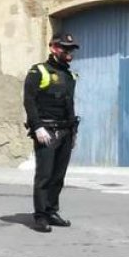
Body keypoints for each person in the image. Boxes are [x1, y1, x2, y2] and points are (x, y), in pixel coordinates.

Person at [23, 33, 81, 233]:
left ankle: (51, 211)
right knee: (45, 175)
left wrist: (73, 132)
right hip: (46, 131)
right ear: (53, 48)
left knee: (58, 176)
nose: (68, 52)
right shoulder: (38, 71)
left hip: (65, 131)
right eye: (64, 48)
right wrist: (37, 126)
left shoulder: (69, 75)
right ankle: (40, 216)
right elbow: (29, 101)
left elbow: (69, 104)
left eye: (71, 48)